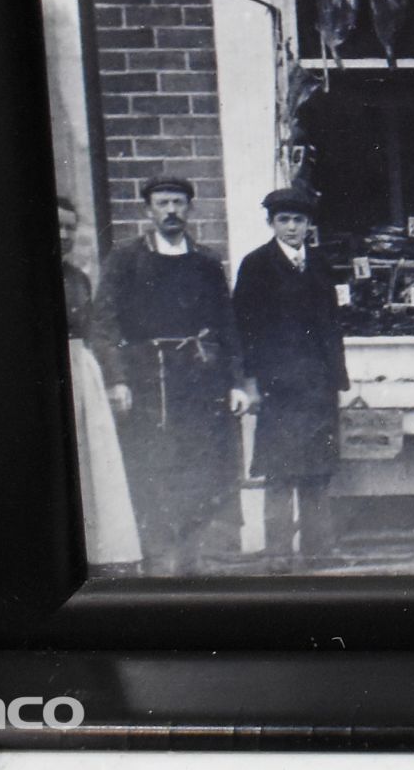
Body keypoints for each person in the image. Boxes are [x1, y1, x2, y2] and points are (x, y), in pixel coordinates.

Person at [94, 177, 249, 574]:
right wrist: (117, 380)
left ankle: (192, 558)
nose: (171, 212)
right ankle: (159, 562)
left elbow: (227, 324)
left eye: (178, 203)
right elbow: (105, 324)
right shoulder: (126, 259)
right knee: (156, 465)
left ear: (190, 209)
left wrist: (236, 381)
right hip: (148, 382)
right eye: (162, 204)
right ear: (148, 210)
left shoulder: (206, 261)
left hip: (201, 380)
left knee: (202, 466)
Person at [233, 186, 351, 568]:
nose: (291, 227)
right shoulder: (256, 265)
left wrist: (338, 379)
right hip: (278, 385)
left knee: (317, 470)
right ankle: (279, 552)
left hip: (317, 385)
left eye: (298, 220)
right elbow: (243, 328)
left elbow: (332, 324)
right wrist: (250, 381)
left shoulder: (319, 265)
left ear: (308, 224)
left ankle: (320, 550)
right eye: (283, 219)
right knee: (280, 471)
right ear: (271, 223)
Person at [58, 196, 140, 568]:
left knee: (90, 460)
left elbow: (95, 331)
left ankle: (95, 551)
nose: (63, 235)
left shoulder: (77, 279)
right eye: (56, 226)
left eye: (69, 228)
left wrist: (113, 378)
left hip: (80, 369)